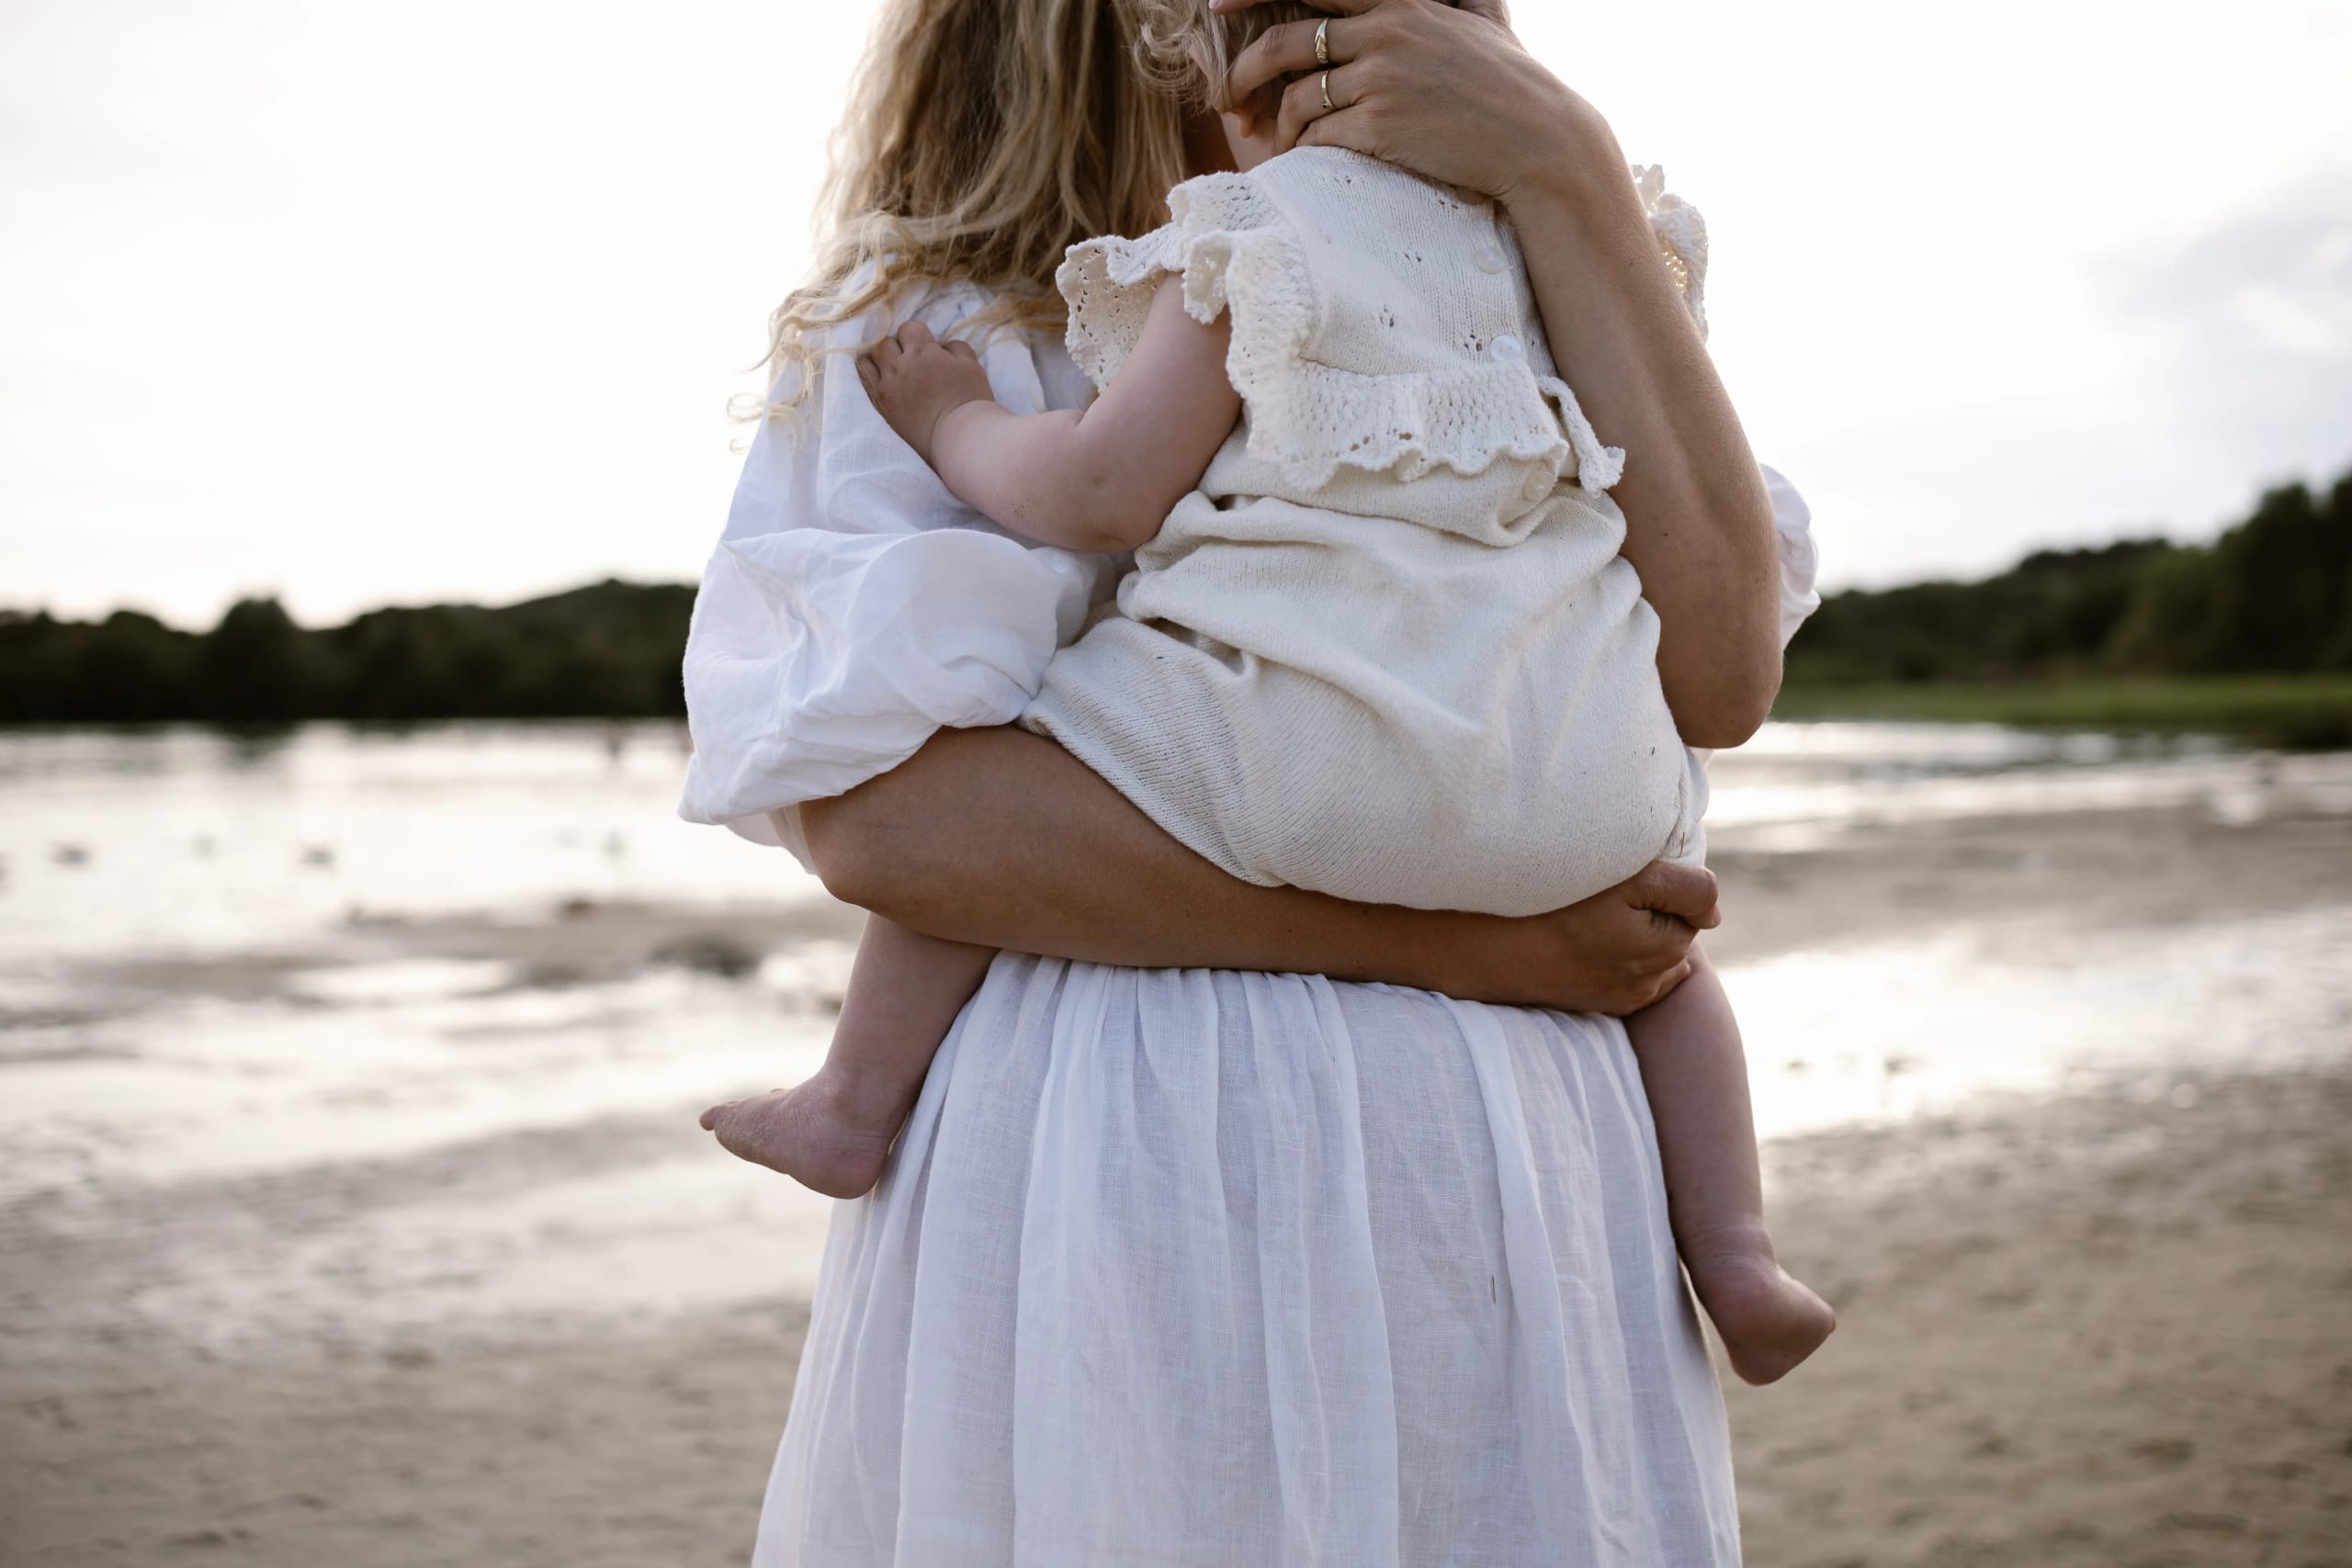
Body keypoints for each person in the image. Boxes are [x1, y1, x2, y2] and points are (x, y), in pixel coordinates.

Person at [682, 0, 1822, 1558]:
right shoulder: (940, 334)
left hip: (1514, 1182)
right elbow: (893, 823)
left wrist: (1569, 177)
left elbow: (1720, 677)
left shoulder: (1515, 292)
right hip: (1125, 1162)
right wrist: (1478, 951)